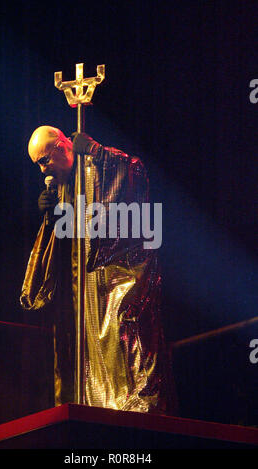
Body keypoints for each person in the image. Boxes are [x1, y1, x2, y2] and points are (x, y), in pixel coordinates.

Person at [20, 125, 177, 414]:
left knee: (126, 337)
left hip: (121, 274)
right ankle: (97, 414)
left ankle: (142, 412)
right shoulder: (63, 186)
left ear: (62, 146)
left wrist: (97, 153)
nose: (43, 170)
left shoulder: (104, 161)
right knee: (90, 350)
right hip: (88, 286)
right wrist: (52, 218)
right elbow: (69, 238)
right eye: (38, 164)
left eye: (44, 160)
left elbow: (136, 174)